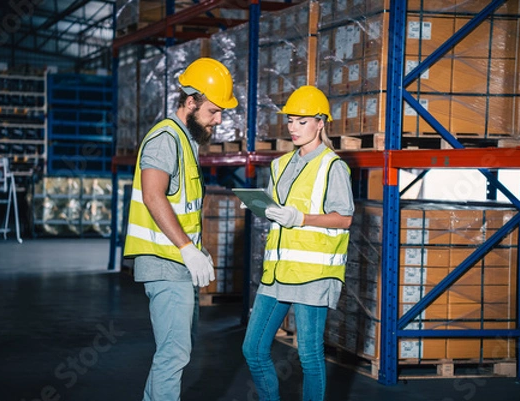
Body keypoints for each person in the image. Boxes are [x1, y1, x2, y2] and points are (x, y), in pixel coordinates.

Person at [123, 57, 237, 401]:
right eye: (213, 111)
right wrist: (187, 248)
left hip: (177, 262)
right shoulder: (165, 139)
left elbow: (180, 206)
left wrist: (194, 249)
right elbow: (153, 195)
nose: (218, 120)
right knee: (174, 354)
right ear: (190, 102)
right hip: (165, 262)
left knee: (175, 352)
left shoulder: (185, 140)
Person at [242, 85, 355, 401]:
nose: (293, 127)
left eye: (302, 121)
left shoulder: (333, 166)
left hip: (312, 273)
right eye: (291, 120)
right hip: (277, 272)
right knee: (253, 348)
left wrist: (300, 218)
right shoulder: (279, 165)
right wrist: (262, 207)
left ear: (320, 123)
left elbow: (344, 218)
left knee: (308, 356)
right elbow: (281, 212)